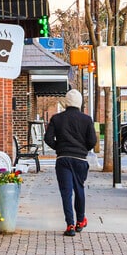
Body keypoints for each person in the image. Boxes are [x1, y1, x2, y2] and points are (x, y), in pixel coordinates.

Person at [44, 89, 97, 236]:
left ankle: (70, 225)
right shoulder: (86, 120)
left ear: (66, 102)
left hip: (63, 159)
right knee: (79, 189)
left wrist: (59, 148)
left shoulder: (57, 118)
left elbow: (48, 138)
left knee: (66, 193)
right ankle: (81, 220)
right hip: (80, 160)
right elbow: (92, 141)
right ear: (79, 103)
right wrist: (83, 149)